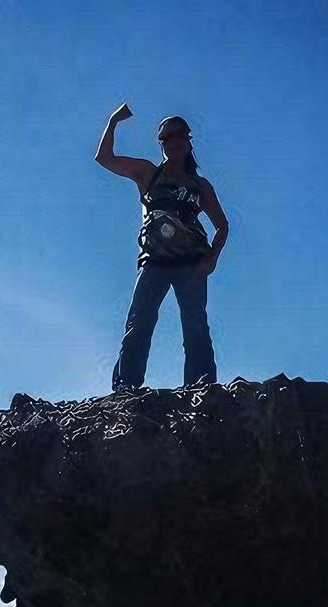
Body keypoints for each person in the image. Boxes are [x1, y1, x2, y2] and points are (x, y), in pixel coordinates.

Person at [94, 103, 230, 391]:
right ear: (162, 143)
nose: (173, 141)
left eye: (179, 135)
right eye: (166, 137)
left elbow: (222, 226)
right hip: (153, 260)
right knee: (139, 323)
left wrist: (212, 259)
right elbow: (104, 158)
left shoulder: (199, 185)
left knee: (195, 326)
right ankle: (126, 387)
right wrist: (114, 121)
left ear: (187, 140)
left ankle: (201, 386)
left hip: (191, 263)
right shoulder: (148, 174)